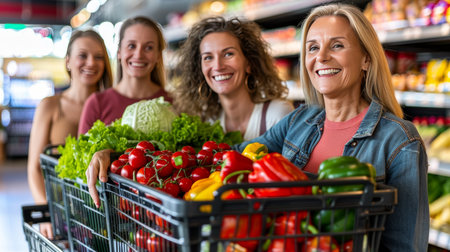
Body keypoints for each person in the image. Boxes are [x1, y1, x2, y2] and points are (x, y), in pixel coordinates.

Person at [233, 3, 428, 251]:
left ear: (366, 59)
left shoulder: (400, 140)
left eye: (337, 45)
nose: (321, 57)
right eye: (313, 47)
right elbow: (235, 156)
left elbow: (404, 245)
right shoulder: (299, 120)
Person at [27, 29, 113, 239]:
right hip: (61, 211)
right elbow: (34, 168)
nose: (91, 62)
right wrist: (47, 211)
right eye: (83, 56)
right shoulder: (50, 106)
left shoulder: (111, 106)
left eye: (99, 57)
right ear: (68, 62)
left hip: (104, 215)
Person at [172, 16, 294, 140]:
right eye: (208, 57)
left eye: (228, 54)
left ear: (249, 63)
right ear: (200, 69)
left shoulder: (277, 115)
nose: (218, 66)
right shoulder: (207, 122)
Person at [78, 16, 172, 135]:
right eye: (131, 46)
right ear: (119, 52)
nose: (138, 55)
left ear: (158, 55)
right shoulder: (96, 103)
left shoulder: (173, 103)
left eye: (149, 47)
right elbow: (83, 152)